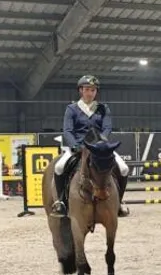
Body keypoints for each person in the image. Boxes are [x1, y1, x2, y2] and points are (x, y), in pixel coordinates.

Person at [50, 75, 131, 218]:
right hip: (78, 146)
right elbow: (68, 130)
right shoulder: (72, 109)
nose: (90, 93)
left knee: (124, 169)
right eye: (87, 89)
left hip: (99, 148)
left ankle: (119, 203)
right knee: (59, 167)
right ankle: (61, 201)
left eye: (93, 90)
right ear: (81, 90)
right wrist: (75, 145)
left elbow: (107, 128)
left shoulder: (103, 108)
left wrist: (101, 143)